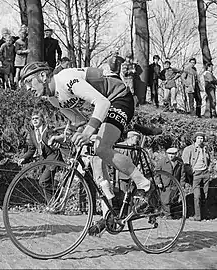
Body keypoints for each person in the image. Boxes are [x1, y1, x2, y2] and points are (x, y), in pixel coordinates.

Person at [19, 62, 153, 236]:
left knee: (101, 148)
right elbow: (80, 121)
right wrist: (68, 136)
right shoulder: (53, 98)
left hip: (118, 98)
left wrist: (88, 131)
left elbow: (102, 103)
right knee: (95, 156)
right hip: (105, 106)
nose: (28, 88)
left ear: (43, 76)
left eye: (30, 81)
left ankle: (144, 183)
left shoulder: (66, 79)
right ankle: (111, 211)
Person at [18, 111, 63, 196]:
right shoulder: (32, 133)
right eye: (33, 119)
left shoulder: (48, 129)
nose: (34, 120)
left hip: (53, 158)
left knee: (43, 182)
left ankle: (57, 190)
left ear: (42, 119)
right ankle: (52, 205)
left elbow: (57, 140)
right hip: (43, 161)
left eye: (36, 118)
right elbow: (31, 149)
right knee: (46, 184)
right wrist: (24, 158)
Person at [182, 131, 211, 221]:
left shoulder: (205, 148)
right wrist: (192, 171)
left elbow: (209, 159)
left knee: (206, 195)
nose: (200, 140)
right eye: (198, 138)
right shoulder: (188, 149)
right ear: (195, 139)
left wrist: (209, 168)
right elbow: (185, 163)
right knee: (197, 196)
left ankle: (205, 215)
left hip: (205, 173)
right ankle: (198, 216)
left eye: (202, 138)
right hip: (196, 174)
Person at [155, 147, 186, 216]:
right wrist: (159, 182)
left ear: (176, 154)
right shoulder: (162, 161)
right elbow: (157, 173)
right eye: (170, 154)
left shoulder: (180, 162)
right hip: (165, 184)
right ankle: (167, 214)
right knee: (165, 200)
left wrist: (182, 185)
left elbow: (182, 174)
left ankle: (173, 214)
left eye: (173, 154)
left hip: (175, 184)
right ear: (167, 154)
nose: (171, 156)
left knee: (173, 199)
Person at [115, 131, 141, 198]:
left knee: (129, 199)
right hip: (121, 178)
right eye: (136, 138)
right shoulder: (119, 147)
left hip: (131, 178)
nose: (137, 140)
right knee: (122, 197)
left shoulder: (135, 149)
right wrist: (116, 181)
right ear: (131, 138)